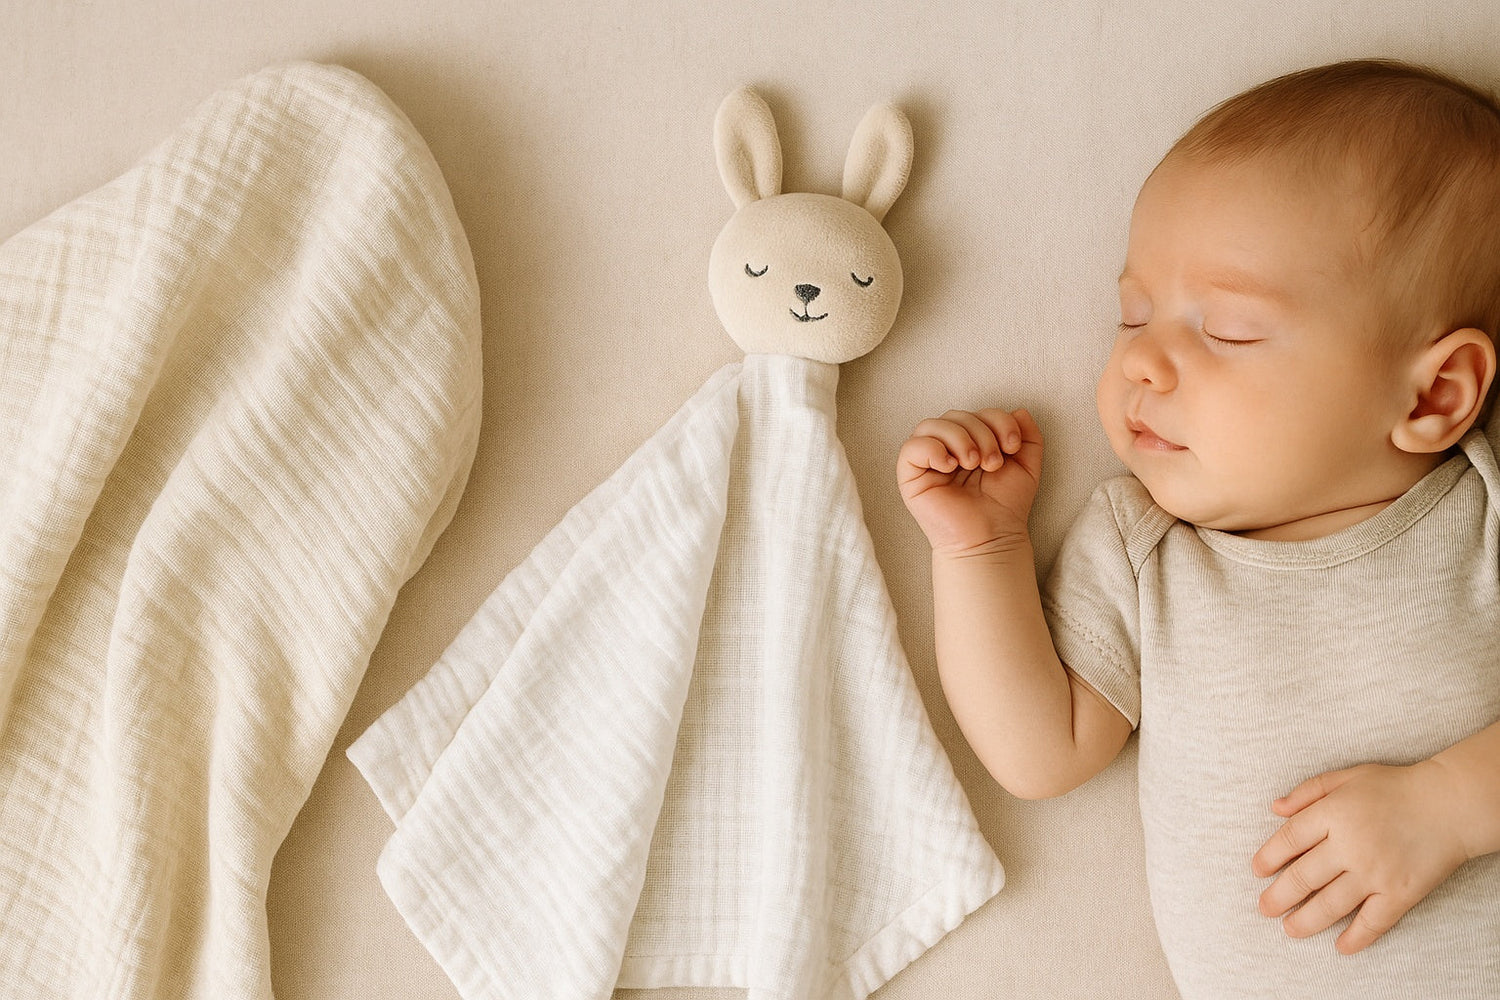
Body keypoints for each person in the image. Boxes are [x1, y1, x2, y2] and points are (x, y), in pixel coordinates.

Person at [898, 59, 1500, 998]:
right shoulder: (1145, 552)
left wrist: (1453, 807)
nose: (1142, 359)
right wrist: (980, 549)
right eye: (1132, 314)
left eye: (1227, 330)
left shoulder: (1482, 516)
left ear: (1434, 393)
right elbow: (1040, 751)